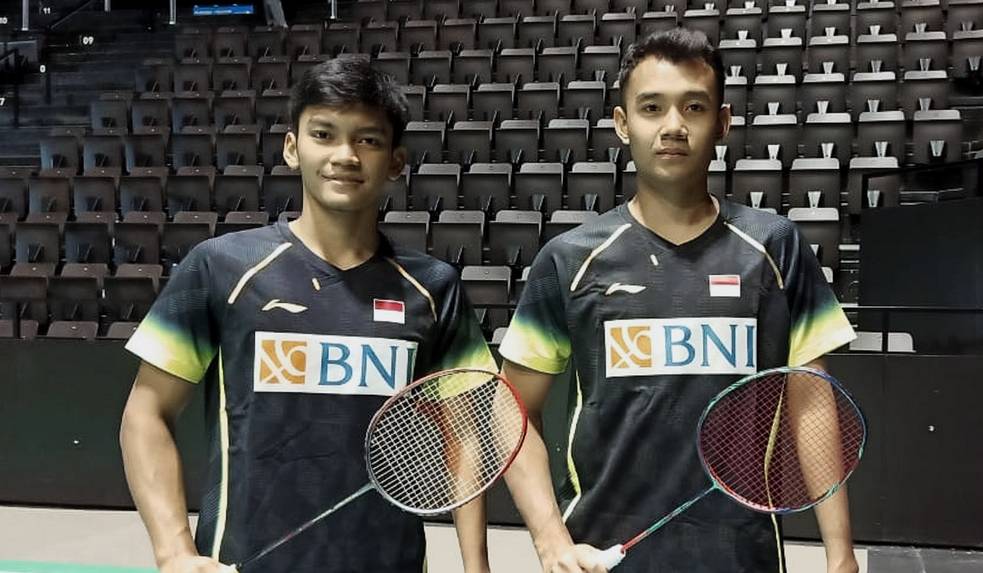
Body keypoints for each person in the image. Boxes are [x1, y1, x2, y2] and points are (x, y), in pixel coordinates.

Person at [498, 28, 859, 573]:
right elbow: (511, 408)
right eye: (651, 108)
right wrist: (551, 541)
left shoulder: (774, 246)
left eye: (694, 107)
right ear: (623, 124)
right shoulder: (570, 259)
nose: (673, 126)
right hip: (601, 556)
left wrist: (841, 555)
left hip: (741, 555)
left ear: (723, 123)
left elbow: (811, 401)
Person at [120, 57, 494, 573]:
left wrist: (477, 567)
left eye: (367, 140)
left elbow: (465, 433)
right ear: (292, 148)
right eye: (324, 134)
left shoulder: (432, 287)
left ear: (396, 162)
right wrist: (173, 551)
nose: (345, 155)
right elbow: (145, 414)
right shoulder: (222, 267)